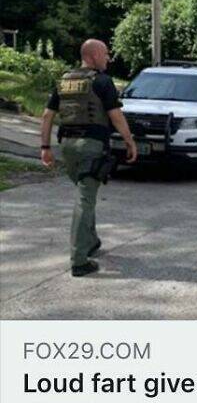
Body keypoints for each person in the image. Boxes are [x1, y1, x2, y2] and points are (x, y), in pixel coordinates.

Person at [40, 39, 137, 277]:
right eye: (105, 54)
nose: (108, 59)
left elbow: (47, 116)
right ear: (93, 56)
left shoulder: (65, 80)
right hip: (91, 147)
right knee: (85, 199)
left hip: (68, 147)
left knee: (86, 193)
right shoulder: (102, 81)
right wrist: (129, 141)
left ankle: (91, 241)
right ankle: (79, 260)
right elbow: (115, 116)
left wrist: (45, 147)